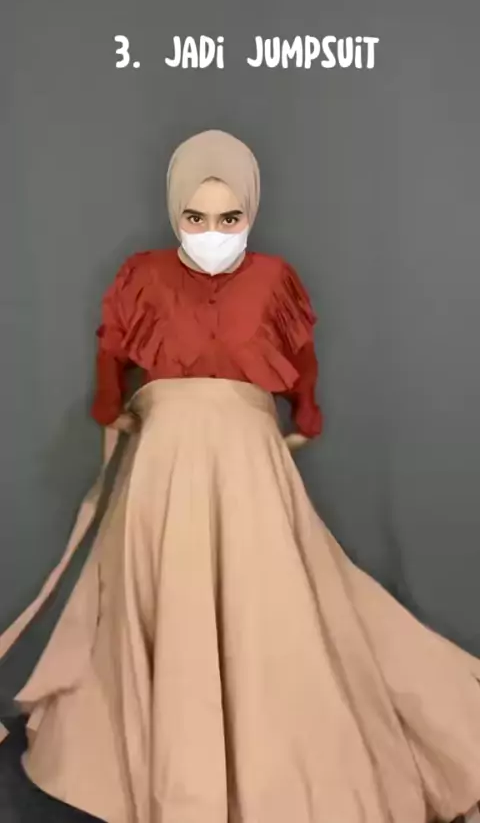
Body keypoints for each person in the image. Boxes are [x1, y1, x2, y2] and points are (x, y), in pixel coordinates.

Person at [1, 129, 480, 823]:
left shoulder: (275, 278)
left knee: (267, 608)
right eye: (195, 217)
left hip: (247, 465)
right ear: (175, 213)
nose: (213, 233)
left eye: (230, 218)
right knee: (169, 602)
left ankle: (266, 772)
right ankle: (183, 777)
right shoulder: (142, 274)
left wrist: (305, 417)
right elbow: (112, 354)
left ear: (250, 212)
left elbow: (302, 362)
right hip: (164, 467)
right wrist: (113, 410)